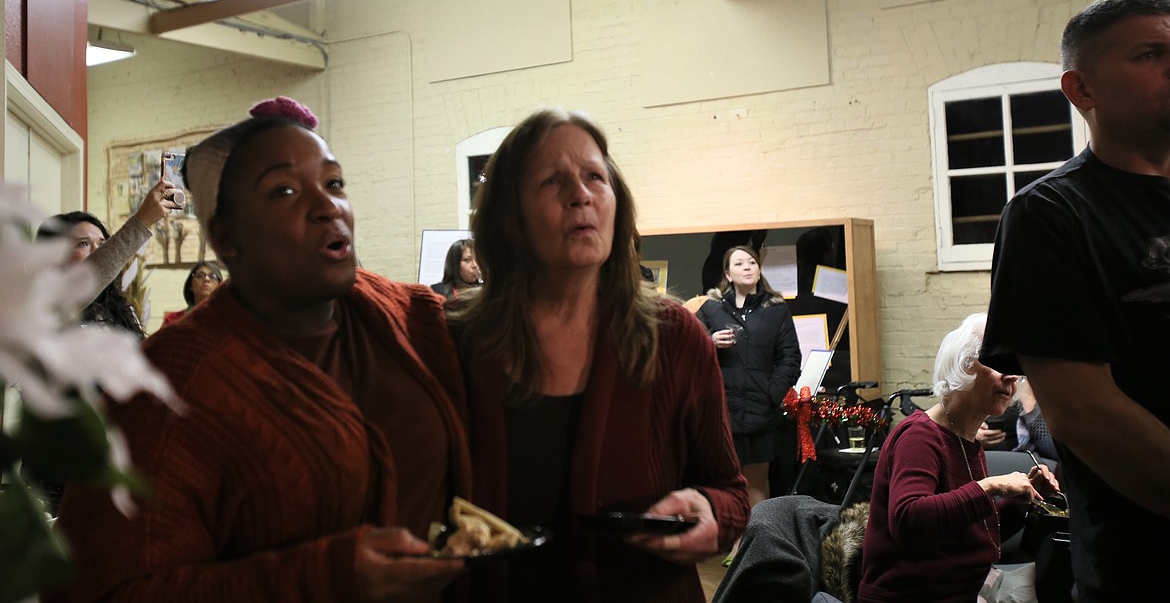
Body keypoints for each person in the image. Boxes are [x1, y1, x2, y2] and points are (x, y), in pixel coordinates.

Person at [49, 97, 471, 602]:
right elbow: (97, 590)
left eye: (334, 183)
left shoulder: (407, 319)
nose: (327, 206)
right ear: (225, 236)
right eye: (284, 190)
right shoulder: (168, 389)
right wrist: (321, 578)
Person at [448, 107, 749, 602]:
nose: (582, 194)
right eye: (552, 181)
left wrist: (710, 512)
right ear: (509, 214)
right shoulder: (458, 342)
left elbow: (730, 492)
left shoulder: (674, 338)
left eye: (595, 176)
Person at [980, 0, 1170, 602]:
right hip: (1144, 566)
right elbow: (1086, 414)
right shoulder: (1050, 215)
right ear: (1081, 90)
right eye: (1149, 54)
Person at [858, 313, 1059, 602]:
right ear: (964, 366)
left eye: (1014, 369)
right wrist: (991, 486)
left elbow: (970, 537)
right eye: (998, 364)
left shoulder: (966, 441)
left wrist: (1018, 505)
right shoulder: (919, 436)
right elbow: (908, 521)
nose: (1012, 376)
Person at [695, 245, 802, 507]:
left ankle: (756, 543)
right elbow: (685, 352)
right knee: (722, 482)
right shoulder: (710, 309)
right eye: (740, 264)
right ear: (728, 274)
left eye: (752, 263)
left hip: (760, 411)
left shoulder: (776, 310)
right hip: (721, 410)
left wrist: (771, 393)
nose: (747, 267)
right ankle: (728, 545)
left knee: (757, 485)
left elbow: (790, 358)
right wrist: (709, 342)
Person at [36, 181, 179, 337]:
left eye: (103, 244)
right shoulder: (46, 302)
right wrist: (142, 221)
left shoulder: (120, 308)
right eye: (83, 244)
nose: (98, 251)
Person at [160, 260, 223, 327]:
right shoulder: (173, 319)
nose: (206, 279)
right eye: (200, 276)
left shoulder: (228, 319)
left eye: (213, 277)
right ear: (190, 285)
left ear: (220, 286)